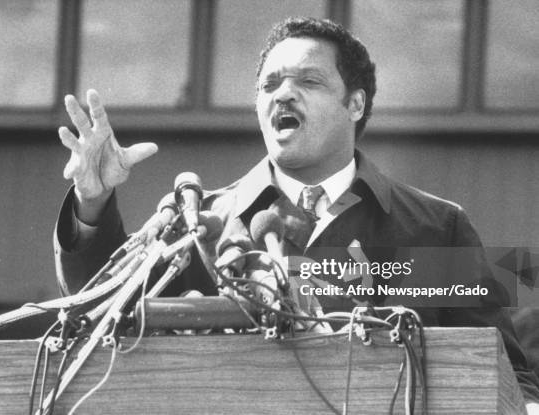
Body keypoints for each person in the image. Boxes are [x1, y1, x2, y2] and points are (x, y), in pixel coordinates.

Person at [53, 17, 539, 409]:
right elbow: (98, 314)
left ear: (355, 103)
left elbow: (507, 380)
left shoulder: (436, 227)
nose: (282, 94)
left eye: (308, 80)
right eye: (270, 84)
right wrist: (91, 200)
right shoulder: (199, 223)